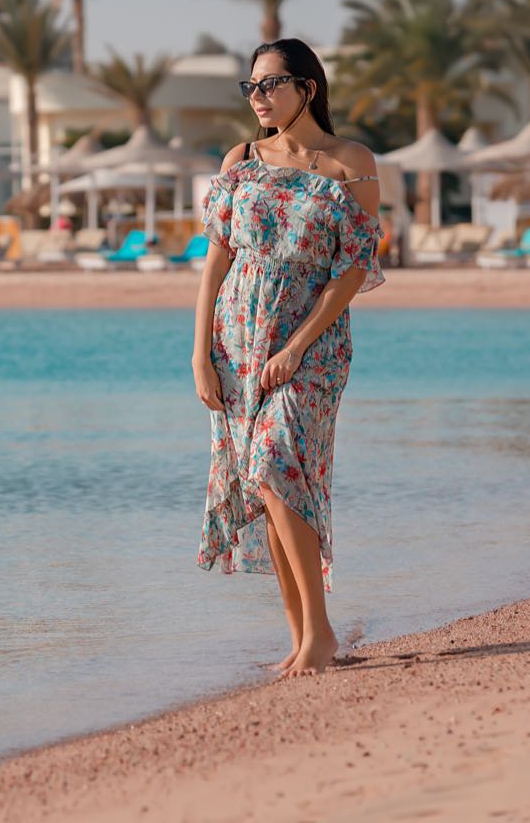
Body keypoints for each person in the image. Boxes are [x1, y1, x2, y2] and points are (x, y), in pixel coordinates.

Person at [191, 38, 385, 678]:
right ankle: (302, 635)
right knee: (268, 487)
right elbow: (217, 258)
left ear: (308, 87)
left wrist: (297, 344)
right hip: (237, 339)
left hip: (313, 342)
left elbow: (353, 266)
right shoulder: (241, 160)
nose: (258, 97)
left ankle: (321, 635)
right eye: (250, 87)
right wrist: (199, 353)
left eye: (270, 84)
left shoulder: (349, 161)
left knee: (279, 464)